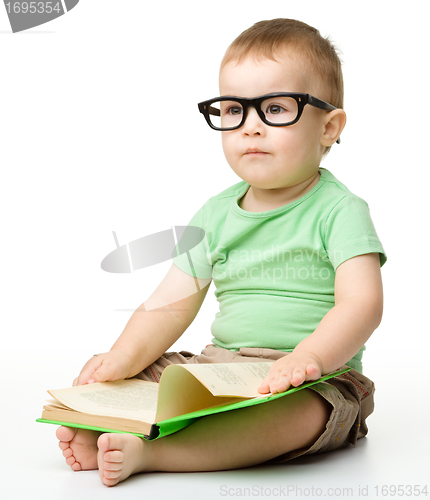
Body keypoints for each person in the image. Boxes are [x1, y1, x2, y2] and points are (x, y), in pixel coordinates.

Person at [56, 18, 386, 487]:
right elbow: (168, 305)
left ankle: (157, 453)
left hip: (316, 376)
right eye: (233, 110)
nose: (249, 128)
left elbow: (363, 304)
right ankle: (113, 424)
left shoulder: (339, 210)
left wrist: (308, 357)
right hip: (224, 365)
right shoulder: (215, 214)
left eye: (274, 108)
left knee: (300, 414)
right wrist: (123, 357)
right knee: (148, 376)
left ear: (328, 127)